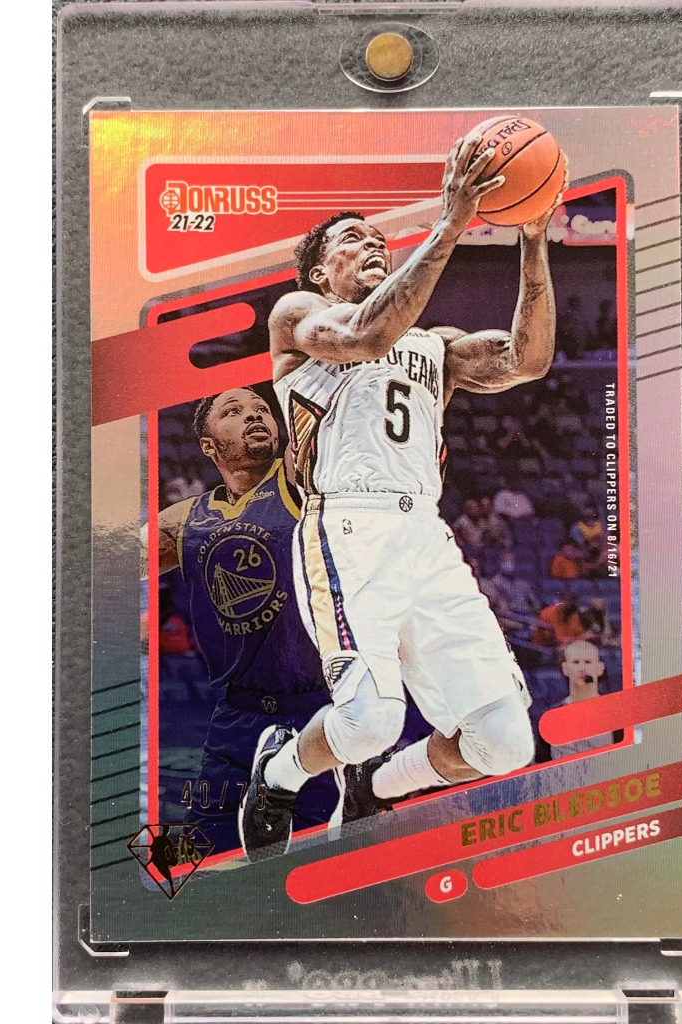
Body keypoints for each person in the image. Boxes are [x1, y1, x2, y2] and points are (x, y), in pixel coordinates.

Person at [239, 128, 567, 858]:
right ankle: (281, 770)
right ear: (320, 271)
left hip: (424, 532)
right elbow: (365, 335)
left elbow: (528, 359)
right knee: (369, 719)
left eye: (377, 238)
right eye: (353, 239)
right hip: (346, 527)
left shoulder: (434, 345)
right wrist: (451, 221)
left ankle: (378, 786)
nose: (373, 243)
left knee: (505, 740)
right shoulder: (300, 316)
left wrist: (533, 236)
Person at [145, 387, 337, 857]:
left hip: (319, 711)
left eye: (261, 410)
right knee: (201, 856)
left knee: (318, 860)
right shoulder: (186, 521)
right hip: (235, 717)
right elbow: (104, 569)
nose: (254, 416)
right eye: (234, 412)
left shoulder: (298, 480)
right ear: (208, 445)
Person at [490, 550, 539, 616]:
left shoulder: (522, 582)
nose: (510, 563)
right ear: (500, 563)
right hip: (509, 615)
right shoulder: (495, 582)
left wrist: (537, 611)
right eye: (506, 561)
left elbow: (533, 602)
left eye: (512, 561)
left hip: (526, 613)